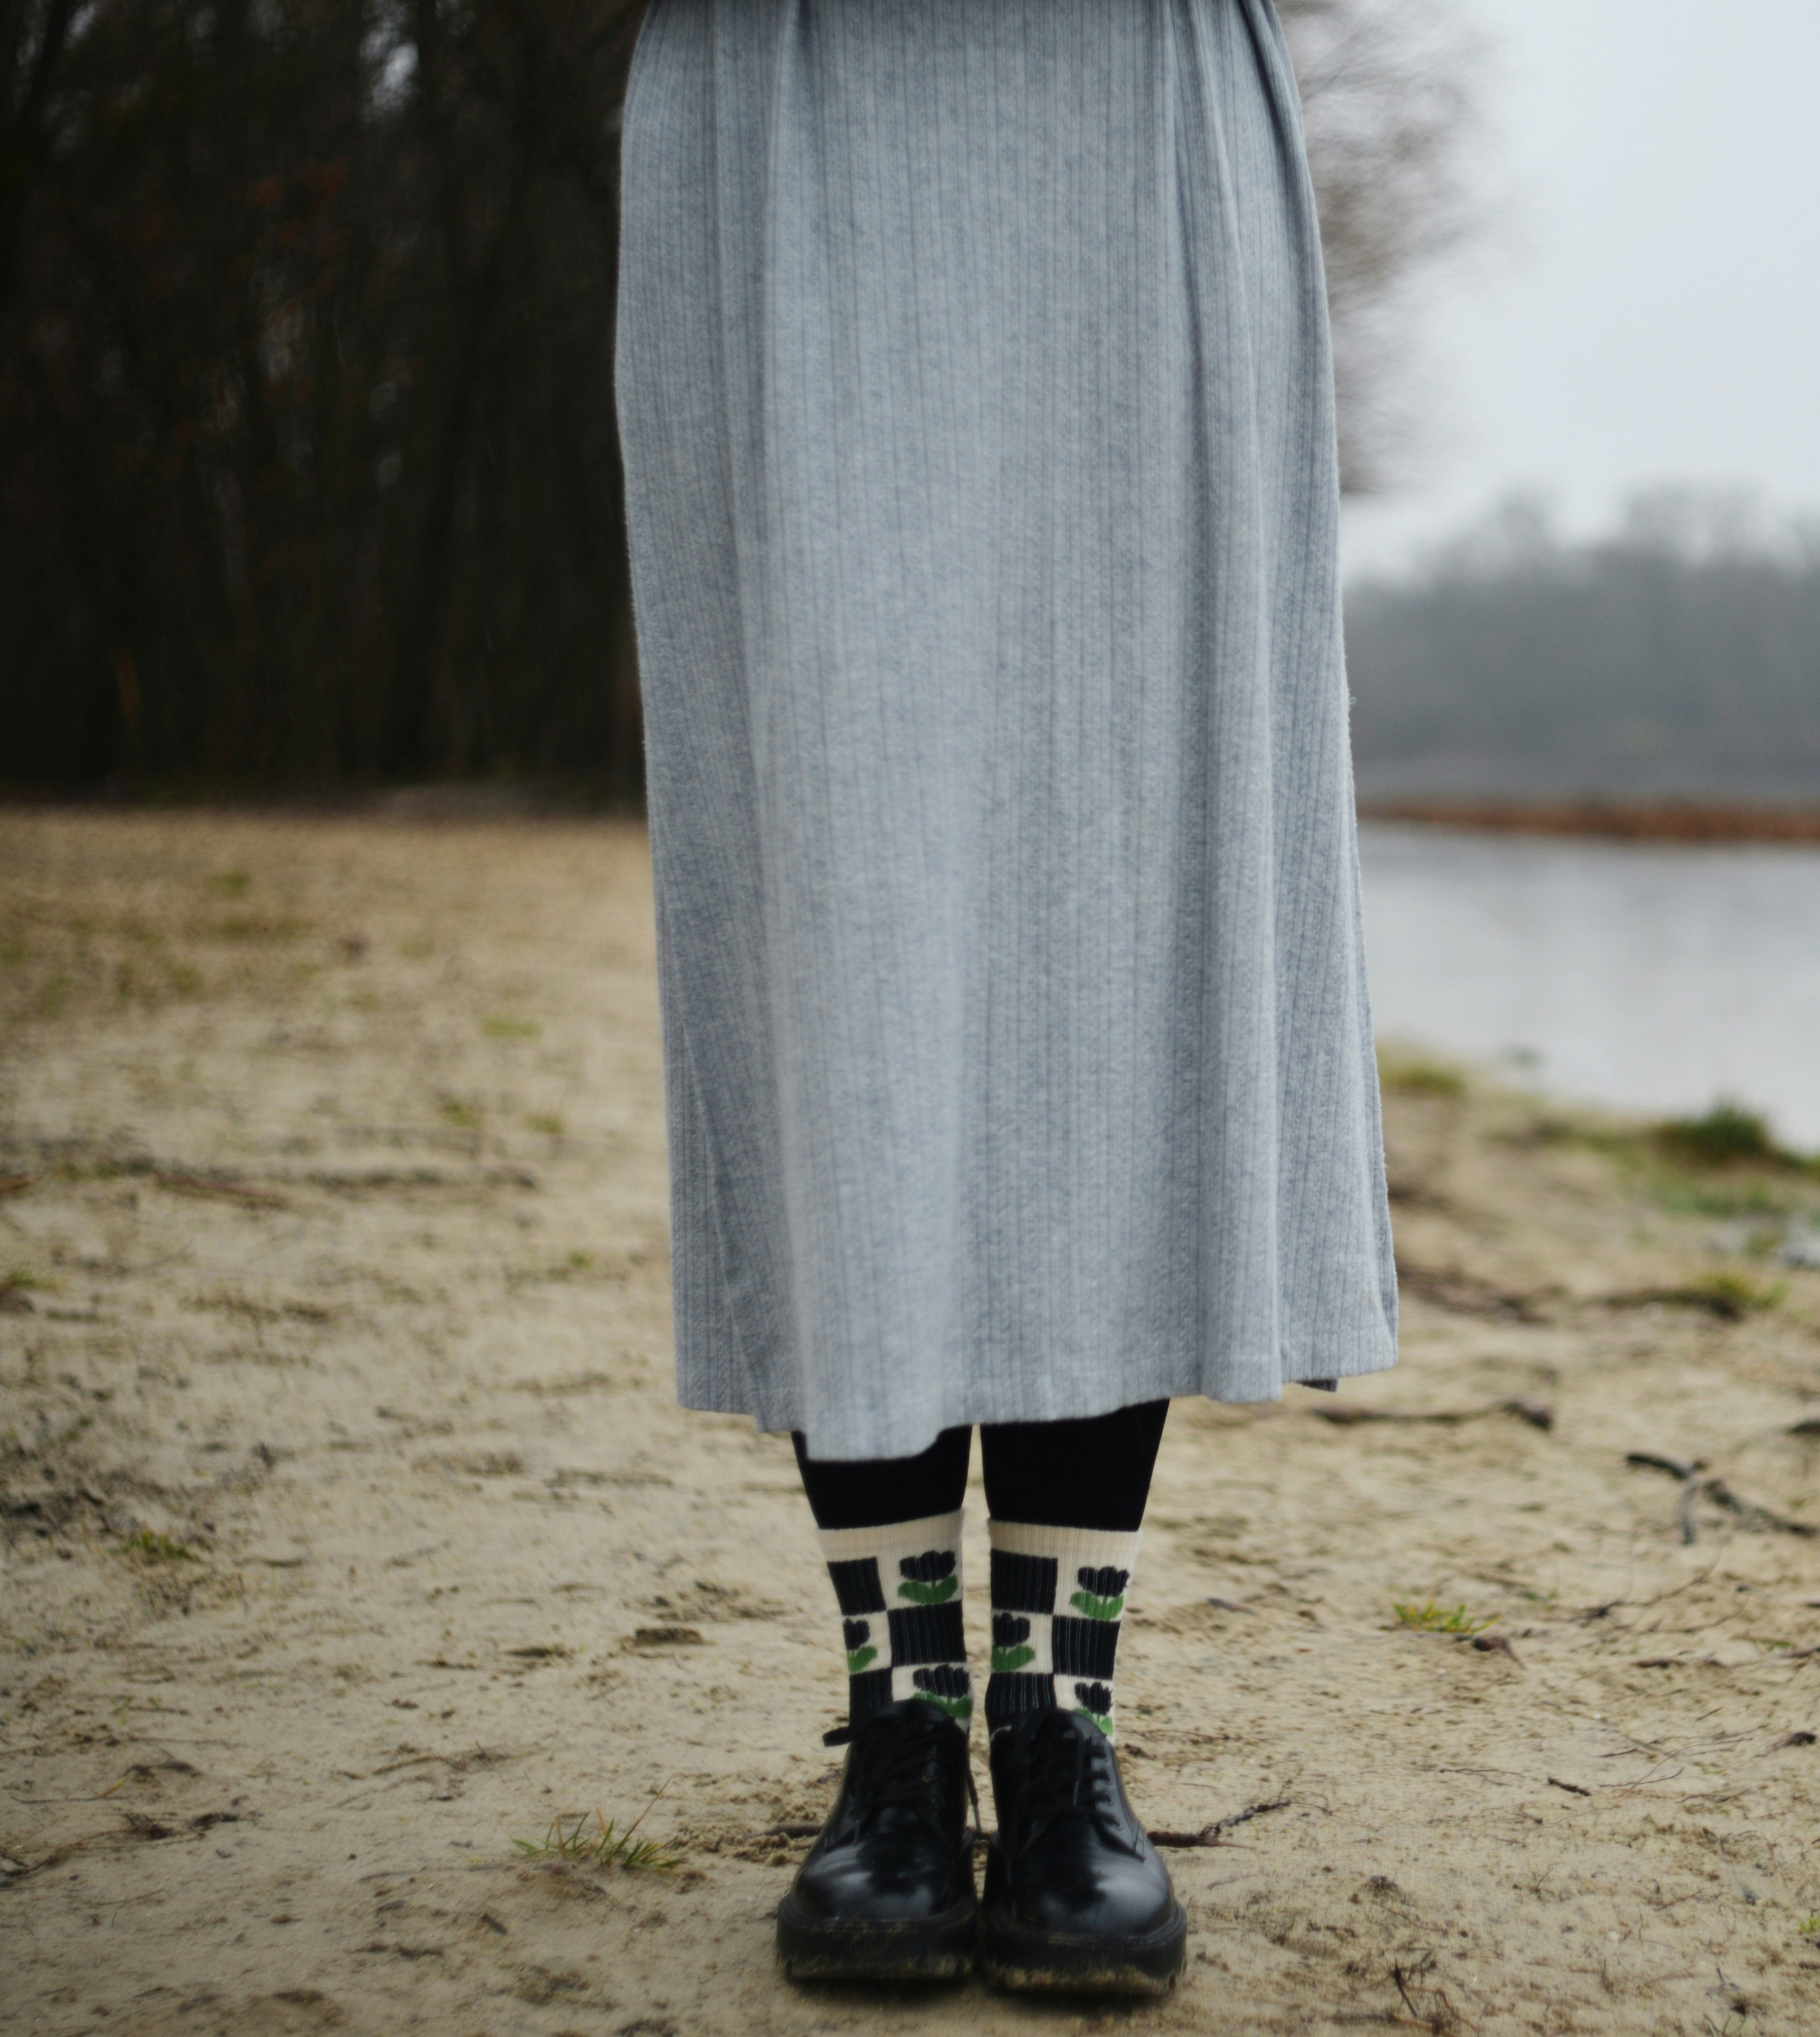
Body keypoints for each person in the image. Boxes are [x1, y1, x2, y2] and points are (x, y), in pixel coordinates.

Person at [611, 0, 1400, 1997]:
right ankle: (899, 1718)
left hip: (1120, 96)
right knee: (841, 895)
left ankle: (1057, 1721)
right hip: (799, 90)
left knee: (1109, 885)